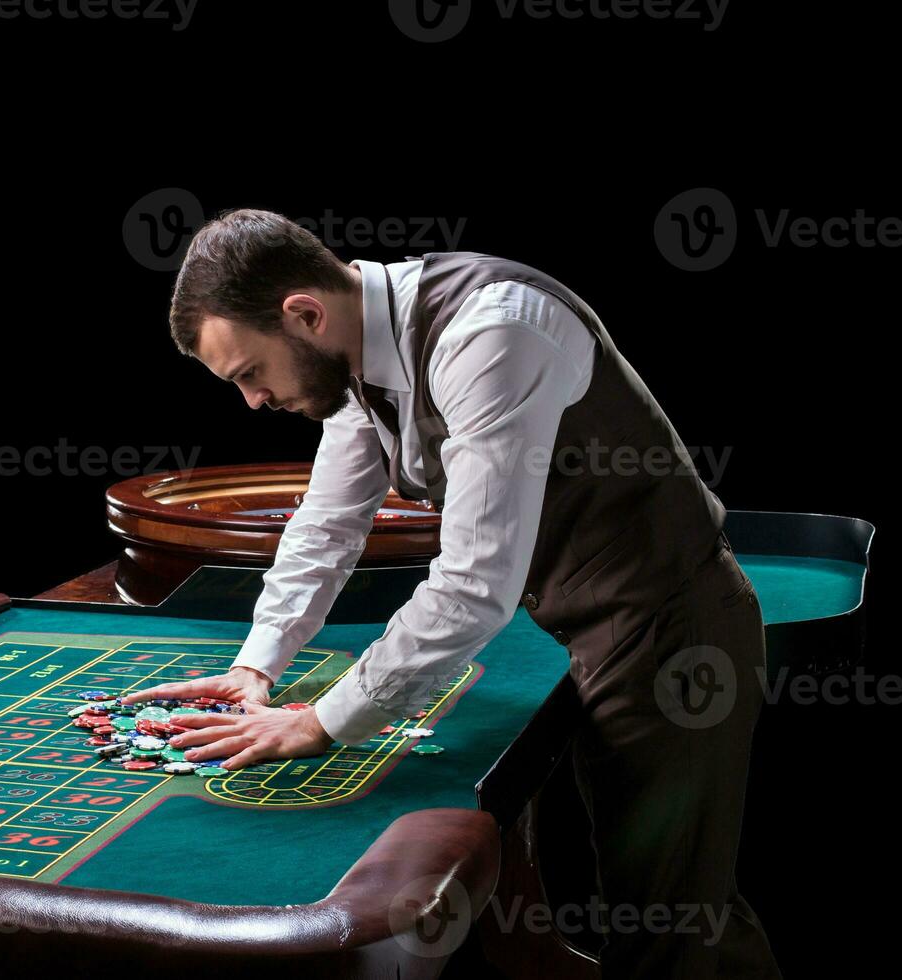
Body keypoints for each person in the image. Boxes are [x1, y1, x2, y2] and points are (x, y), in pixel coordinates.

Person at [122, 208, 781, 978]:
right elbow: (327, 526)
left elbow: (475, 586)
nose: (254, 401)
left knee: (675, 927)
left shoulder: (492, 335)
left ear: (304, 313)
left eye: (249, 373)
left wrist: (321, 724)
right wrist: (256, 667)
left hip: (675, 627)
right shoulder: (354, 357)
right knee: (645, 907)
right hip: (595, 622)